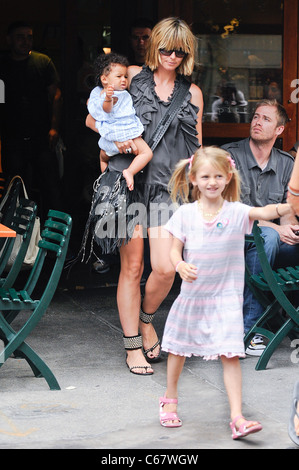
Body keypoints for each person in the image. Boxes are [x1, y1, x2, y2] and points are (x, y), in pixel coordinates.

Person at [86, 17, 203, 374]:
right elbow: (93, 118)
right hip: (129, 182)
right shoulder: (132, 76)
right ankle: (132, 345)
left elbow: (198, 147)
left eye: (179, 50)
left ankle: (146, 318)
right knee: (132, 267)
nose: (172, 55)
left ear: (187, 53)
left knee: (166, 267)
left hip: (168, 189)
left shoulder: (192, 92)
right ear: (155, 46)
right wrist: (112, 141)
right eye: (166, 47)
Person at [159, 146, 293, 438]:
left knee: (230, 356)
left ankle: (237, 417)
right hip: (194, 298)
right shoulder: (184, 214)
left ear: (229, 176)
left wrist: (288, 206)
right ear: (193, 178)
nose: (212, 182)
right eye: (205, 176)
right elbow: (173, 251)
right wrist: (180, 265)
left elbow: (265, 211)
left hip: (226, 300)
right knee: (178, 351)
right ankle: (169, 401)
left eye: (218, 176)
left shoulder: (237, 212)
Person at [222, 99, 299, 355]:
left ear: (279, 130)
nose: (257, 122)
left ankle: (289, 321)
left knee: (275, 238)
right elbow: (229, 209)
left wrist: (290, 231)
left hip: (269, 244)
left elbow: (287, 213)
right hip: (230, 240)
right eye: (256, 117)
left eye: (266, 119)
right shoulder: (229, 156)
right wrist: (277, 229)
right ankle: (253, 328)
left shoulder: (287, 163)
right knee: (265, 235)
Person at [0, 21, 62, 222]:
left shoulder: (42, 62)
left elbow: (56, 95)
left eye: (29, 37)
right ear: (9, 39)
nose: (25, 41)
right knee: (15, 186)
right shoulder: (3, 64)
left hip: (41, 135)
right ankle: (17, 239)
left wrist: (54, 128)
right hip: (12, 136)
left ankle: (54, 235)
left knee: (50, 187)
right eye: (20, 37)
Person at [87, 52, 152, 191]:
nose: (124, 80)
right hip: (125, 133)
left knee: (103, 159)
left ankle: (105, 182)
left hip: (108, 138)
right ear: (104, 79)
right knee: (146, 153)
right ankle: (130, 171)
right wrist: (109, 99)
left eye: (126, 77)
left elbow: (93, 114)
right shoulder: (113, 94)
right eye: (119, 76)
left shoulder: (97, 93)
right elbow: (107, 109)